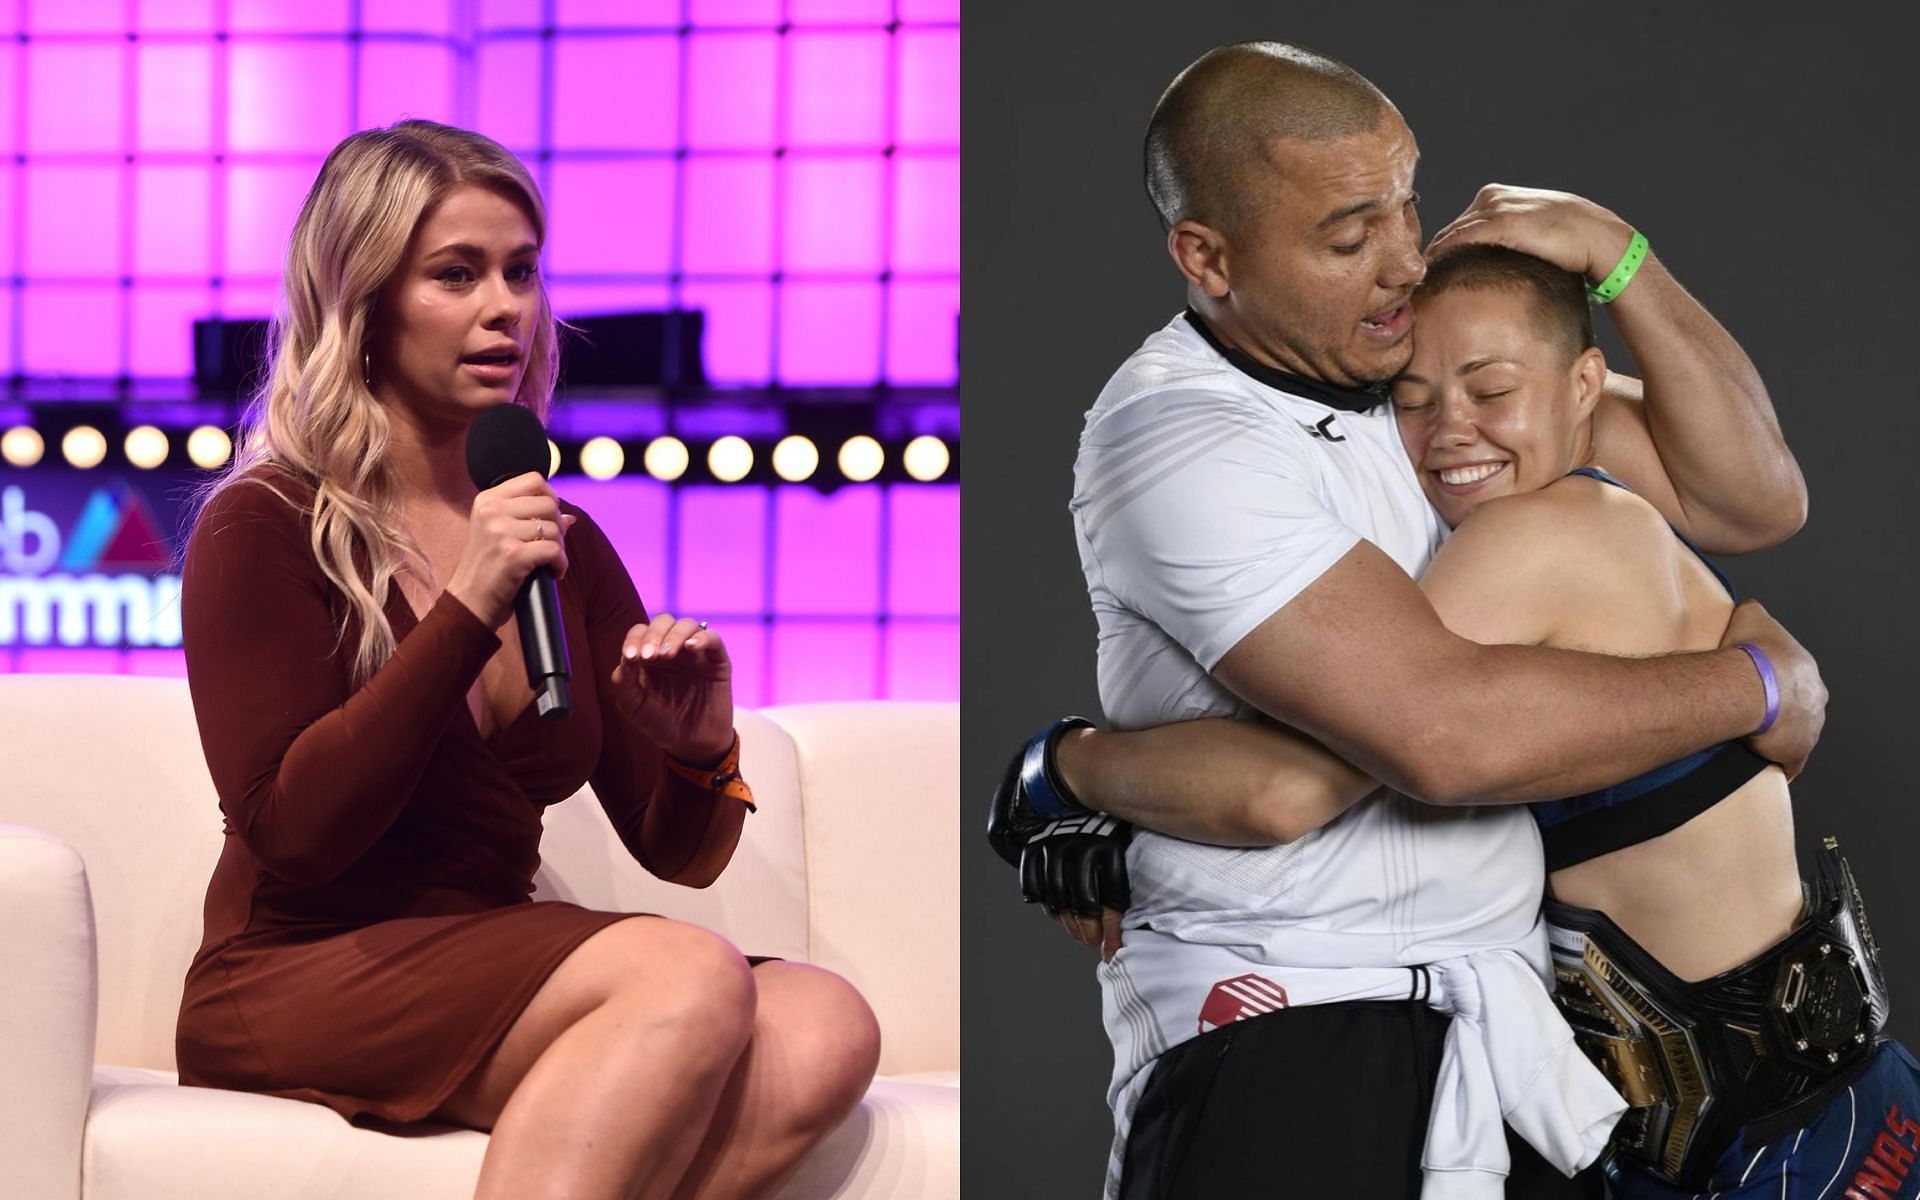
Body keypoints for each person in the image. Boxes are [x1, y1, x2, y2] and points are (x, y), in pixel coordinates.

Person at [984, 41, 1826, 1200]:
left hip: (1505, 1027)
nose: (1400, 264)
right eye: (1348, 237)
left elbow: (1753, 497)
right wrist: (1763, 688)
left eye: (1405, 205)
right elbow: (1431, 743)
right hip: (1286, 1017)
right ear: (1207, 256)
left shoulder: (1417, 371)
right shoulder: (1183, 436)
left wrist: (1623, 257)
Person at [171, 120, 880, 1200]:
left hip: (492, 954)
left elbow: (679, 854)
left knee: (825, 1022)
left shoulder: (559, 537)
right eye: (456, 275)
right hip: (304, 970)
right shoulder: (266, 524)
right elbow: (295, 832)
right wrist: (463, 609)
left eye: (520, 271)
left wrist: (700, 748)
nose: (506, 306)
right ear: (364, 300)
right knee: (683, 970)